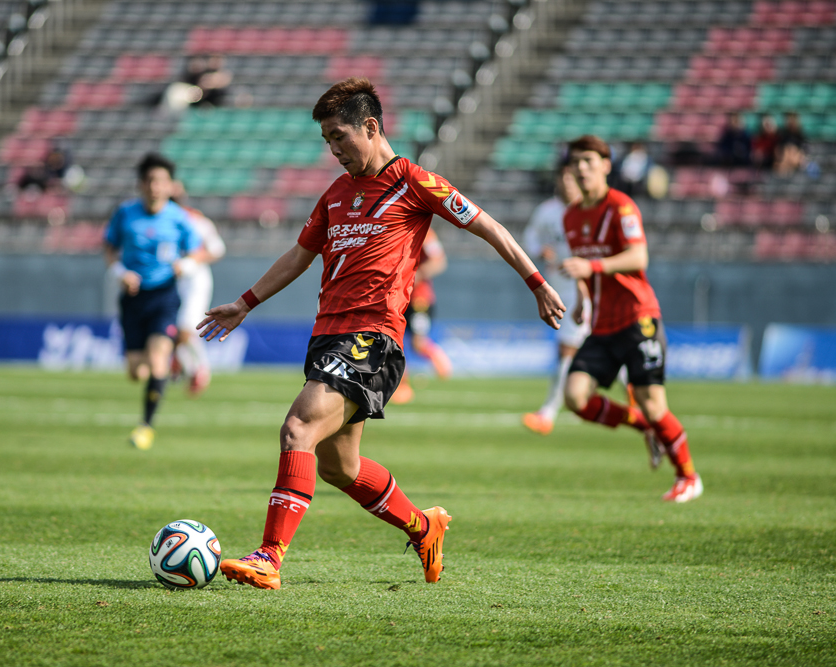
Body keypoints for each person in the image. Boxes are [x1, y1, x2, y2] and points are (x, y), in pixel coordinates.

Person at [198, 77, 565, 589]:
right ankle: (424, 527)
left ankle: (269, 556)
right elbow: (299, 257)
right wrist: (244, 302)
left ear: (370, 127)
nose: (333, 149)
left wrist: (538, 284)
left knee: (297, 428)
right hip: (328, 336)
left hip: (372, 338)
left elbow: (489, 227)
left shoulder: (414, 181)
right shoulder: (335, 193)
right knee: (339, 467)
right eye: (327, 140)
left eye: (339, 136)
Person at [560, 134, 702, 503]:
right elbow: (582, 268)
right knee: (575, 396)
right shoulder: (571, 215)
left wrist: (592, 267)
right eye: (576, 162)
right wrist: (582, 297)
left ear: (606, 166)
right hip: (602, 324)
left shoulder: (621, 207)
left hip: (639, 318)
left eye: (589, 161)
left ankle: (688, 476)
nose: (582, 168)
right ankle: (644, 427)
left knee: (653, 402)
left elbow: (639, 257)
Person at [104, 153, 202, 450]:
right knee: (137, 372)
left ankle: (145, 427)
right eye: (149, 180)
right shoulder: (125, 213)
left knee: (158, 357)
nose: (154, 186)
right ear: (141, 184)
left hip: (164, 296)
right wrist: (120, 272)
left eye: (160, 181)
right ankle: (161, 368)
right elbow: (109, 246)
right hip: (133, 299)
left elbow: (198, 250)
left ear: (170, 185)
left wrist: (185, 265)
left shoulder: (179, 217)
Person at [521, 163, 591, 435]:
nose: (568, 183)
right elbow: (530, 236)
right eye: (564, 178)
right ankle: (632, 390)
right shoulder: (547, 211)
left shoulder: (588, 211)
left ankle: (548, 413)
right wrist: (540, 250)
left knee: (567, 350)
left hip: (583, 290)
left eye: (572, 178)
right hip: (557, 288)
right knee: (599, 346)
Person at [169, 182, 225, 396]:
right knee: (175, 327)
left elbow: (216, 249)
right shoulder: (160, 220)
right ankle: (189, 367)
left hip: (194, 279)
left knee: (186, 327)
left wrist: (191, 261)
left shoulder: (195, 220)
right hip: (171, 280)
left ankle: (196, 368)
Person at [389, 227, 452, 405]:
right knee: (394, 342)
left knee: (418, 343)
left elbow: (439, 261)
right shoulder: (391, 227)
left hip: (419, 299)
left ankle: (440, 361)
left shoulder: (425, 232)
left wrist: (416, 275)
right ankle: (401, 384)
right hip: (397, 297)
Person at [775, 111, 807, 176]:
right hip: (785, 160)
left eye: (792, 120)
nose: (790, 123)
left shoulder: (800, 136)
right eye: (789, 120)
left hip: (795, 160)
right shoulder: (783, 135)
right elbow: (778, 150)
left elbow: (803, 151)